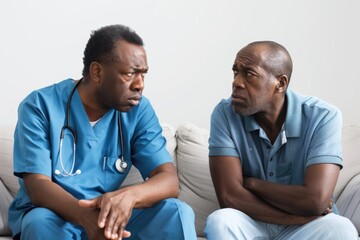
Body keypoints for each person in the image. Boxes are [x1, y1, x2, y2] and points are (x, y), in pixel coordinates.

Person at [8, 24, 197, 240]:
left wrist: (129, 197)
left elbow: (168, 180)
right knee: (39, 222)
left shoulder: (138, 110)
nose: (139, 85)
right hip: (57, 216)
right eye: (129, 74)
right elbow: (38, 186)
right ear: (97, 71)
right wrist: (85, 217)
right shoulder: (40, 106)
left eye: (143, 75)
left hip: (111, 217)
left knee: (177, 212)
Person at [204, 41, 359, 239]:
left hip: (309, 227)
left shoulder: (323, 116)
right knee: (221, 221)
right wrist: (297, 217)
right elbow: (229, 197)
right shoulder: (225, 114)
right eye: (236, 72)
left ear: (280, 83)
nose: (236, 82)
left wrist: (252, 184)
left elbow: (316, 201)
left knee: (341, 229)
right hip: (255, 221)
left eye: (249, 74)